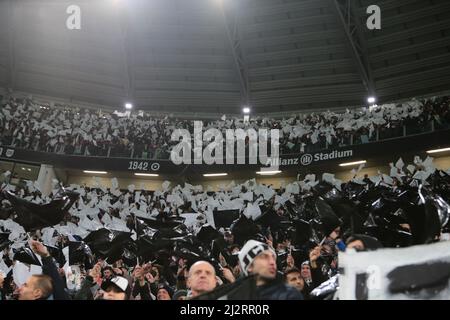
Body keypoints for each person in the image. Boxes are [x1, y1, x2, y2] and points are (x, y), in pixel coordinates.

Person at [238, 240, 303, 300]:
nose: (272, 262)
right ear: (249, 266)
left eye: (273, 257)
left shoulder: (289, 295)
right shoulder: (236, 296)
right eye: (264, 257)